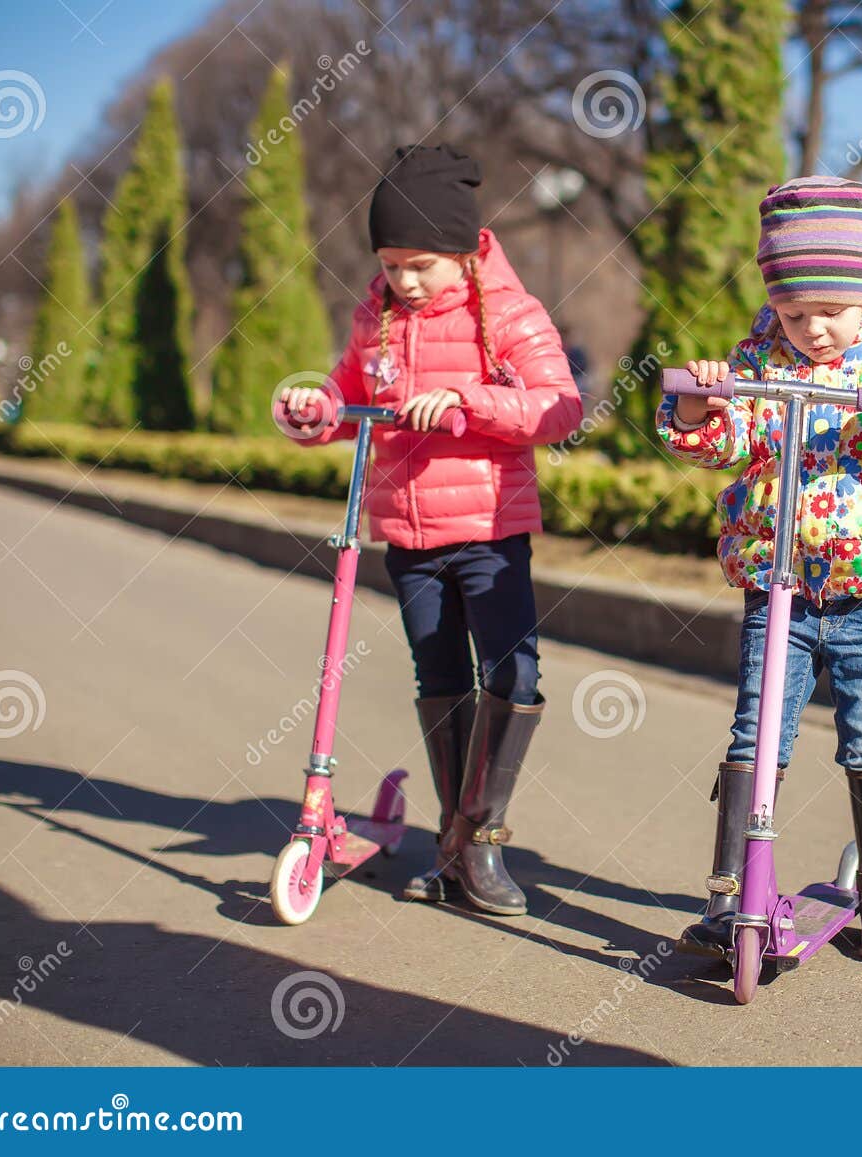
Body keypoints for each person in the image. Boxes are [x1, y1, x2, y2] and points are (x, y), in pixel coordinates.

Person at [656, 175, 862, 960]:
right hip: (780, 586)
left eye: (829, 313)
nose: (813, 331)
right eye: (796, 314)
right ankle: (730, 890)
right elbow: (726, 442)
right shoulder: (762, 353)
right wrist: (701, 408)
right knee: (757, 729)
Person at [277, 143, 581, 915]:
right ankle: (453, 837)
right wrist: (317, 410)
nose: (404, 281)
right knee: (439, 679)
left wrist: (466, 400)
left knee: (512, 676)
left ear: (466, 249)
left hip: (487, 529)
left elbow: (561, 408)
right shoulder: (375, 313)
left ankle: (480, 838)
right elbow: (348, 395)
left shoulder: (508, 314)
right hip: (407, 535)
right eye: (390, 262)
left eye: (421, 264)